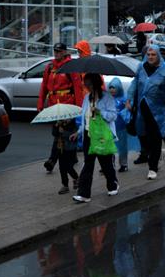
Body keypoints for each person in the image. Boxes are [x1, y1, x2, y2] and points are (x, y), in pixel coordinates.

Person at [126, 45, 165, 180]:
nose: (150, 57)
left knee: (155, 137)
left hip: (158, 110)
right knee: (143, 136)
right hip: (141, 108)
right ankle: (156, 154)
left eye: (153, 54)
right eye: (148, 54)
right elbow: (134, 83)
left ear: (158, 55)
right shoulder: (141, 67)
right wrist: (129, 99)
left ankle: (153, 167)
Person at [38, 43, 84, 174]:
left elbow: (77, 89)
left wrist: (78, 108)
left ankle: (52, 161)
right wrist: (40, 103)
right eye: (55, 51)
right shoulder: (50, 67)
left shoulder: (71, 67)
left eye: (59, 51)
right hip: (54, 106)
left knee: (61, 134)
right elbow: (44, 87)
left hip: (68, 107)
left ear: (65, 52)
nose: (56, 53)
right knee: (60, 133)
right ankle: (72, 157)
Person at [73, 73, 119, 203]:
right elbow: (84, 118)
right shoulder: (87, 98)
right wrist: (79, 132)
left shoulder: (107, 97)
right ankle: (84, 194)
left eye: (89, 84)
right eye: (85, 84)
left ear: (95, 83)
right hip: (89, 135)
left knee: (105, 164)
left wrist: (100, 112)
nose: (86, 87)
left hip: (102, 135)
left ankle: (113, 184)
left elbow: (113, 116)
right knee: (88, 164)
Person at [109, 77, 132, 173]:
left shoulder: (124, 98)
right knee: (109, 146)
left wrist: (127, 108)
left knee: (122, 147)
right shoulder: (107, 99)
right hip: (110, 127)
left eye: (114, 87)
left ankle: (124, 164)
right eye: (110, 88)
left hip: (121, 127)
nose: (112, 90)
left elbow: (129, 109)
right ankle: (109, 164)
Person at [53, 118, 79, 194]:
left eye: (68, 118)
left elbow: (73, 136)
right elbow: (54, 134)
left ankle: (76, 178)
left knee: (69, 166)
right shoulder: (59, 123)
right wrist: (56, 126)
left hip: (71, 149)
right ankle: (65, 185)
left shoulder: (74, 125)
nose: (66, 119)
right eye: (64, 118)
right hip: (61, 148)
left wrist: (63, 132)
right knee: (62, 167)